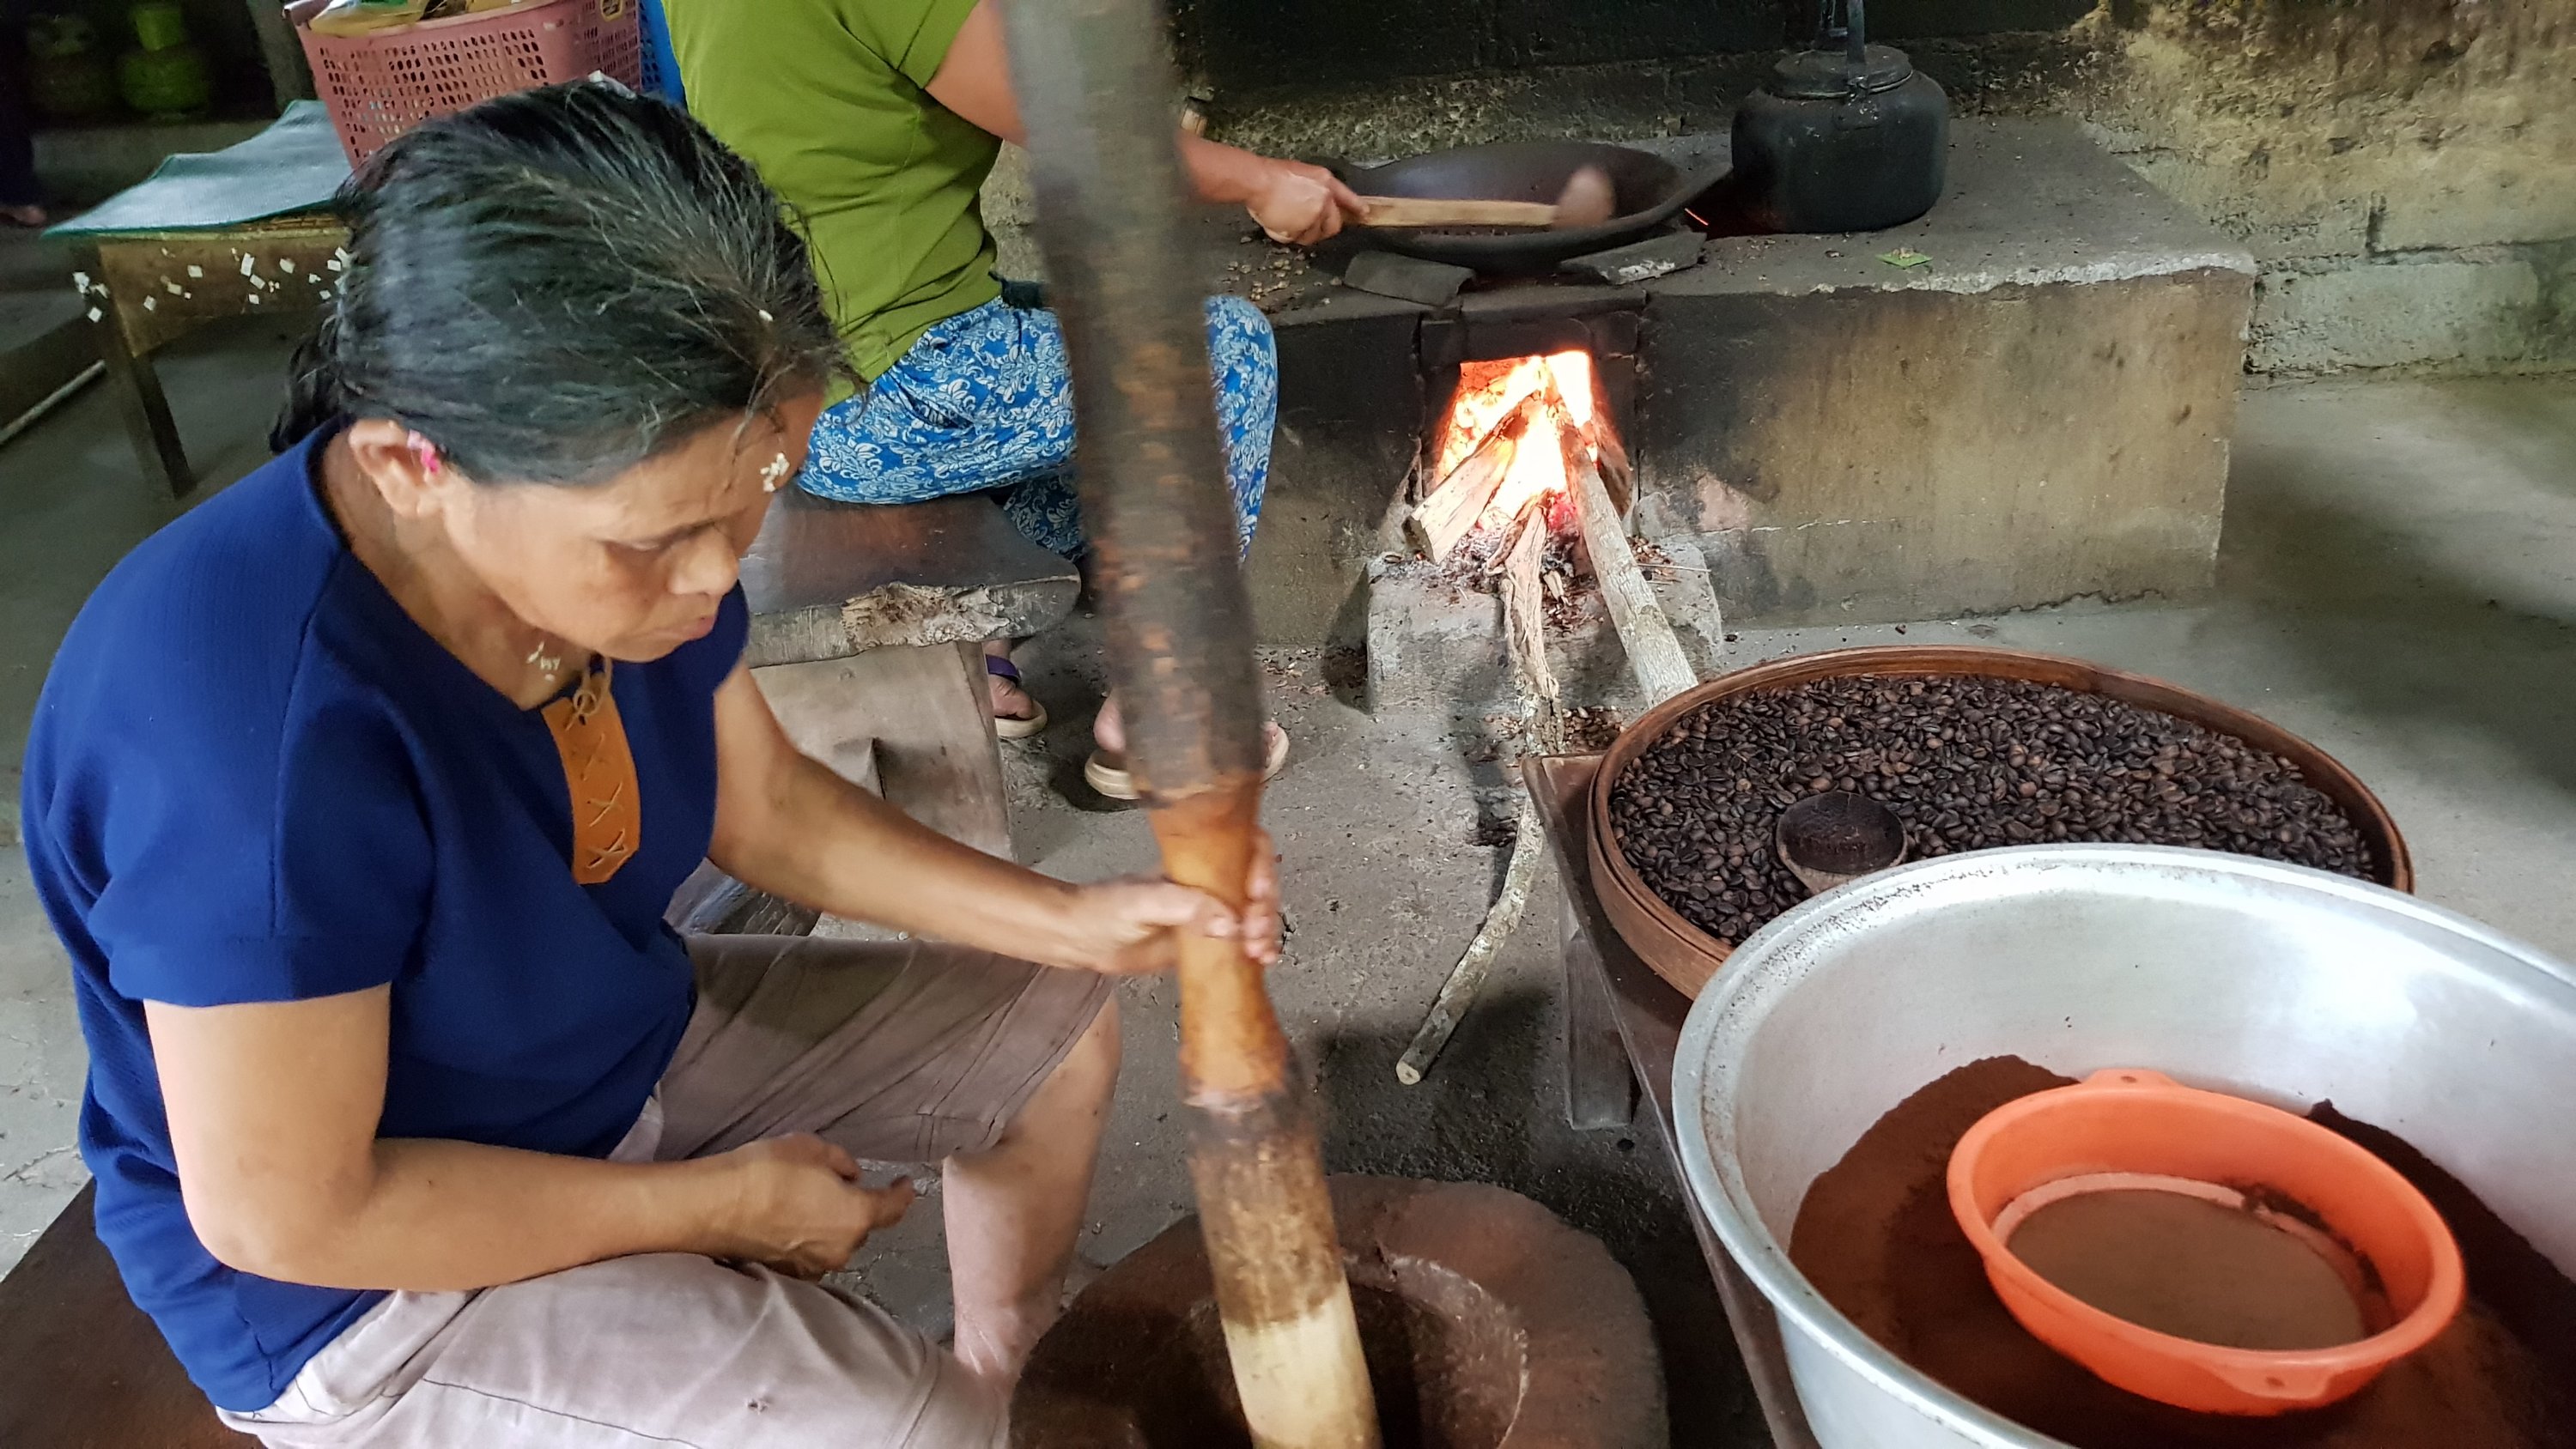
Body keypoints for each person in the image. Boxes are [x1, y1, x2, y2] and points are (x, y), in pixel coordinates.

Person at [21, 82, 1278, 1448]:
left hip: (591, 1055)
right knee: (911, 1435)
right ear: (409, 464)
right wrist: (712, 1207)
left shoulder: (628, 549)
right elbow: (288, 1216)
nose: (713, 583)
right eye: (651, 541)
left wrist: (1078, 923)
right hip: (363, 1287)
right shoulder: (246, 737)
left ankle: (1008, 1363)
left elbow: (763, 804)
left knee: (1054, 1029)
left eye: (753, 505)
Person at [664, 0, 1361, 797]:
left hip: (790, 392)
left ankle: (984, 647)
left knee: (1088, 336)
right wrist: (1264, 180)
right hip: (895, 391)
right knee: (1223, 348)